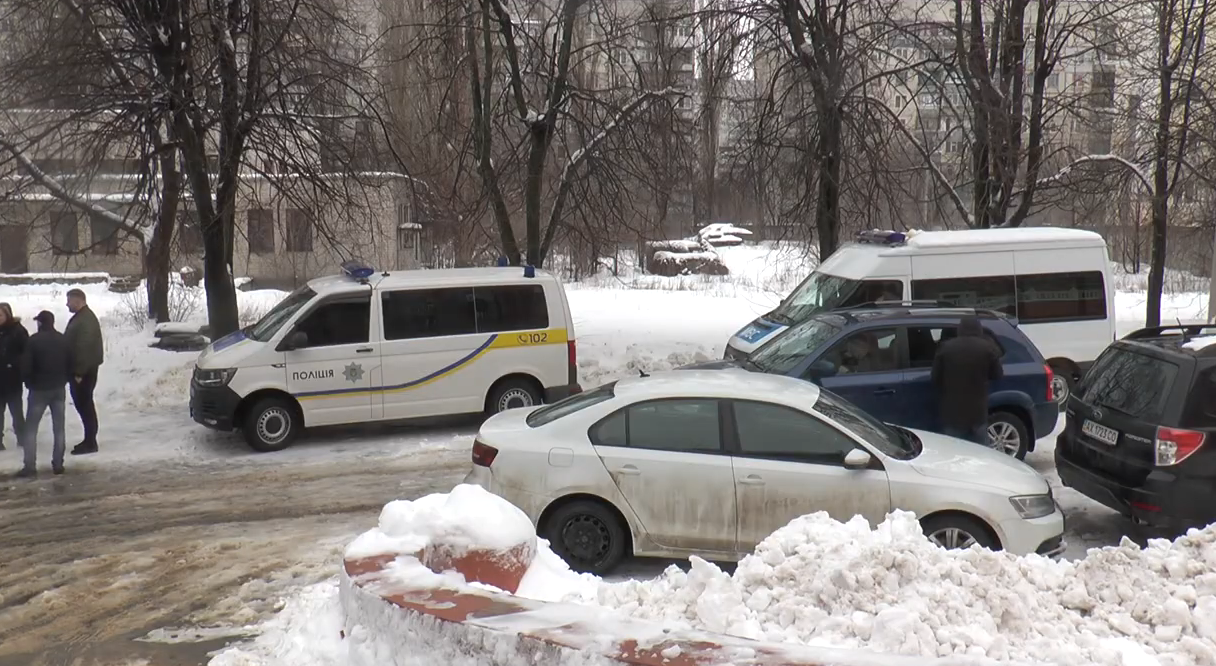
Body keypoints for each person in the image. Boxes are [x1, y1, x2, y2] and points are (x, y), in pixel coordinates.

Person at [932, 316, 1003, 448]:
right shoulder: (987, 348)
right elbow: (998, 375)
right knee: (982, 452)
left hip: (952, 412)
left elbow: (935, 378)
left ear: (960, 329)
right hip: (978, 412)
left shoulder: (945, 348)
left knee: (954, 451)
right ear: (979, 329)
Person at [17, 311, 72, 478]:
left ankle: (29, 466)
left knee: (31, 429)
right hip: (58, 388)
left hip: (39, 390)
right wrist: (64, 379)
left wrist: (28, 381)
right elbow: (70, 362)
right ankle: (58, 464)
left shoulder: (33, 341)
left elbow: (26, 365)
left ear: (40, 323)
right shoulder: (63, 340)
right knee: (59, 429)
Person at [64, 288, 103, 455]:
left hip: (84, 372)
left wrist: (79, 372)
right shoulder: (83, 317)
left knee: (85, 404)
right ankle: (89, 440)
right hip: (83, 370)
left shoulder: (85, 320)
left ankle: (90, 442)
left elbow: (84, 347)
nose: (67, 304)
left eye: (69, 300)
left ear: (78, 300)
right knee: (84, 404)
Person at [0, 302, 29, 451]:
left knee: (16, 410)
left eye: (0, 315)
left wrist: (14, 364)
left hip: (12, 378)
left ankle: (22, 438)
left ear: (7, 315)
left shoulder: (18, 331)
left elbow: (26, 353)